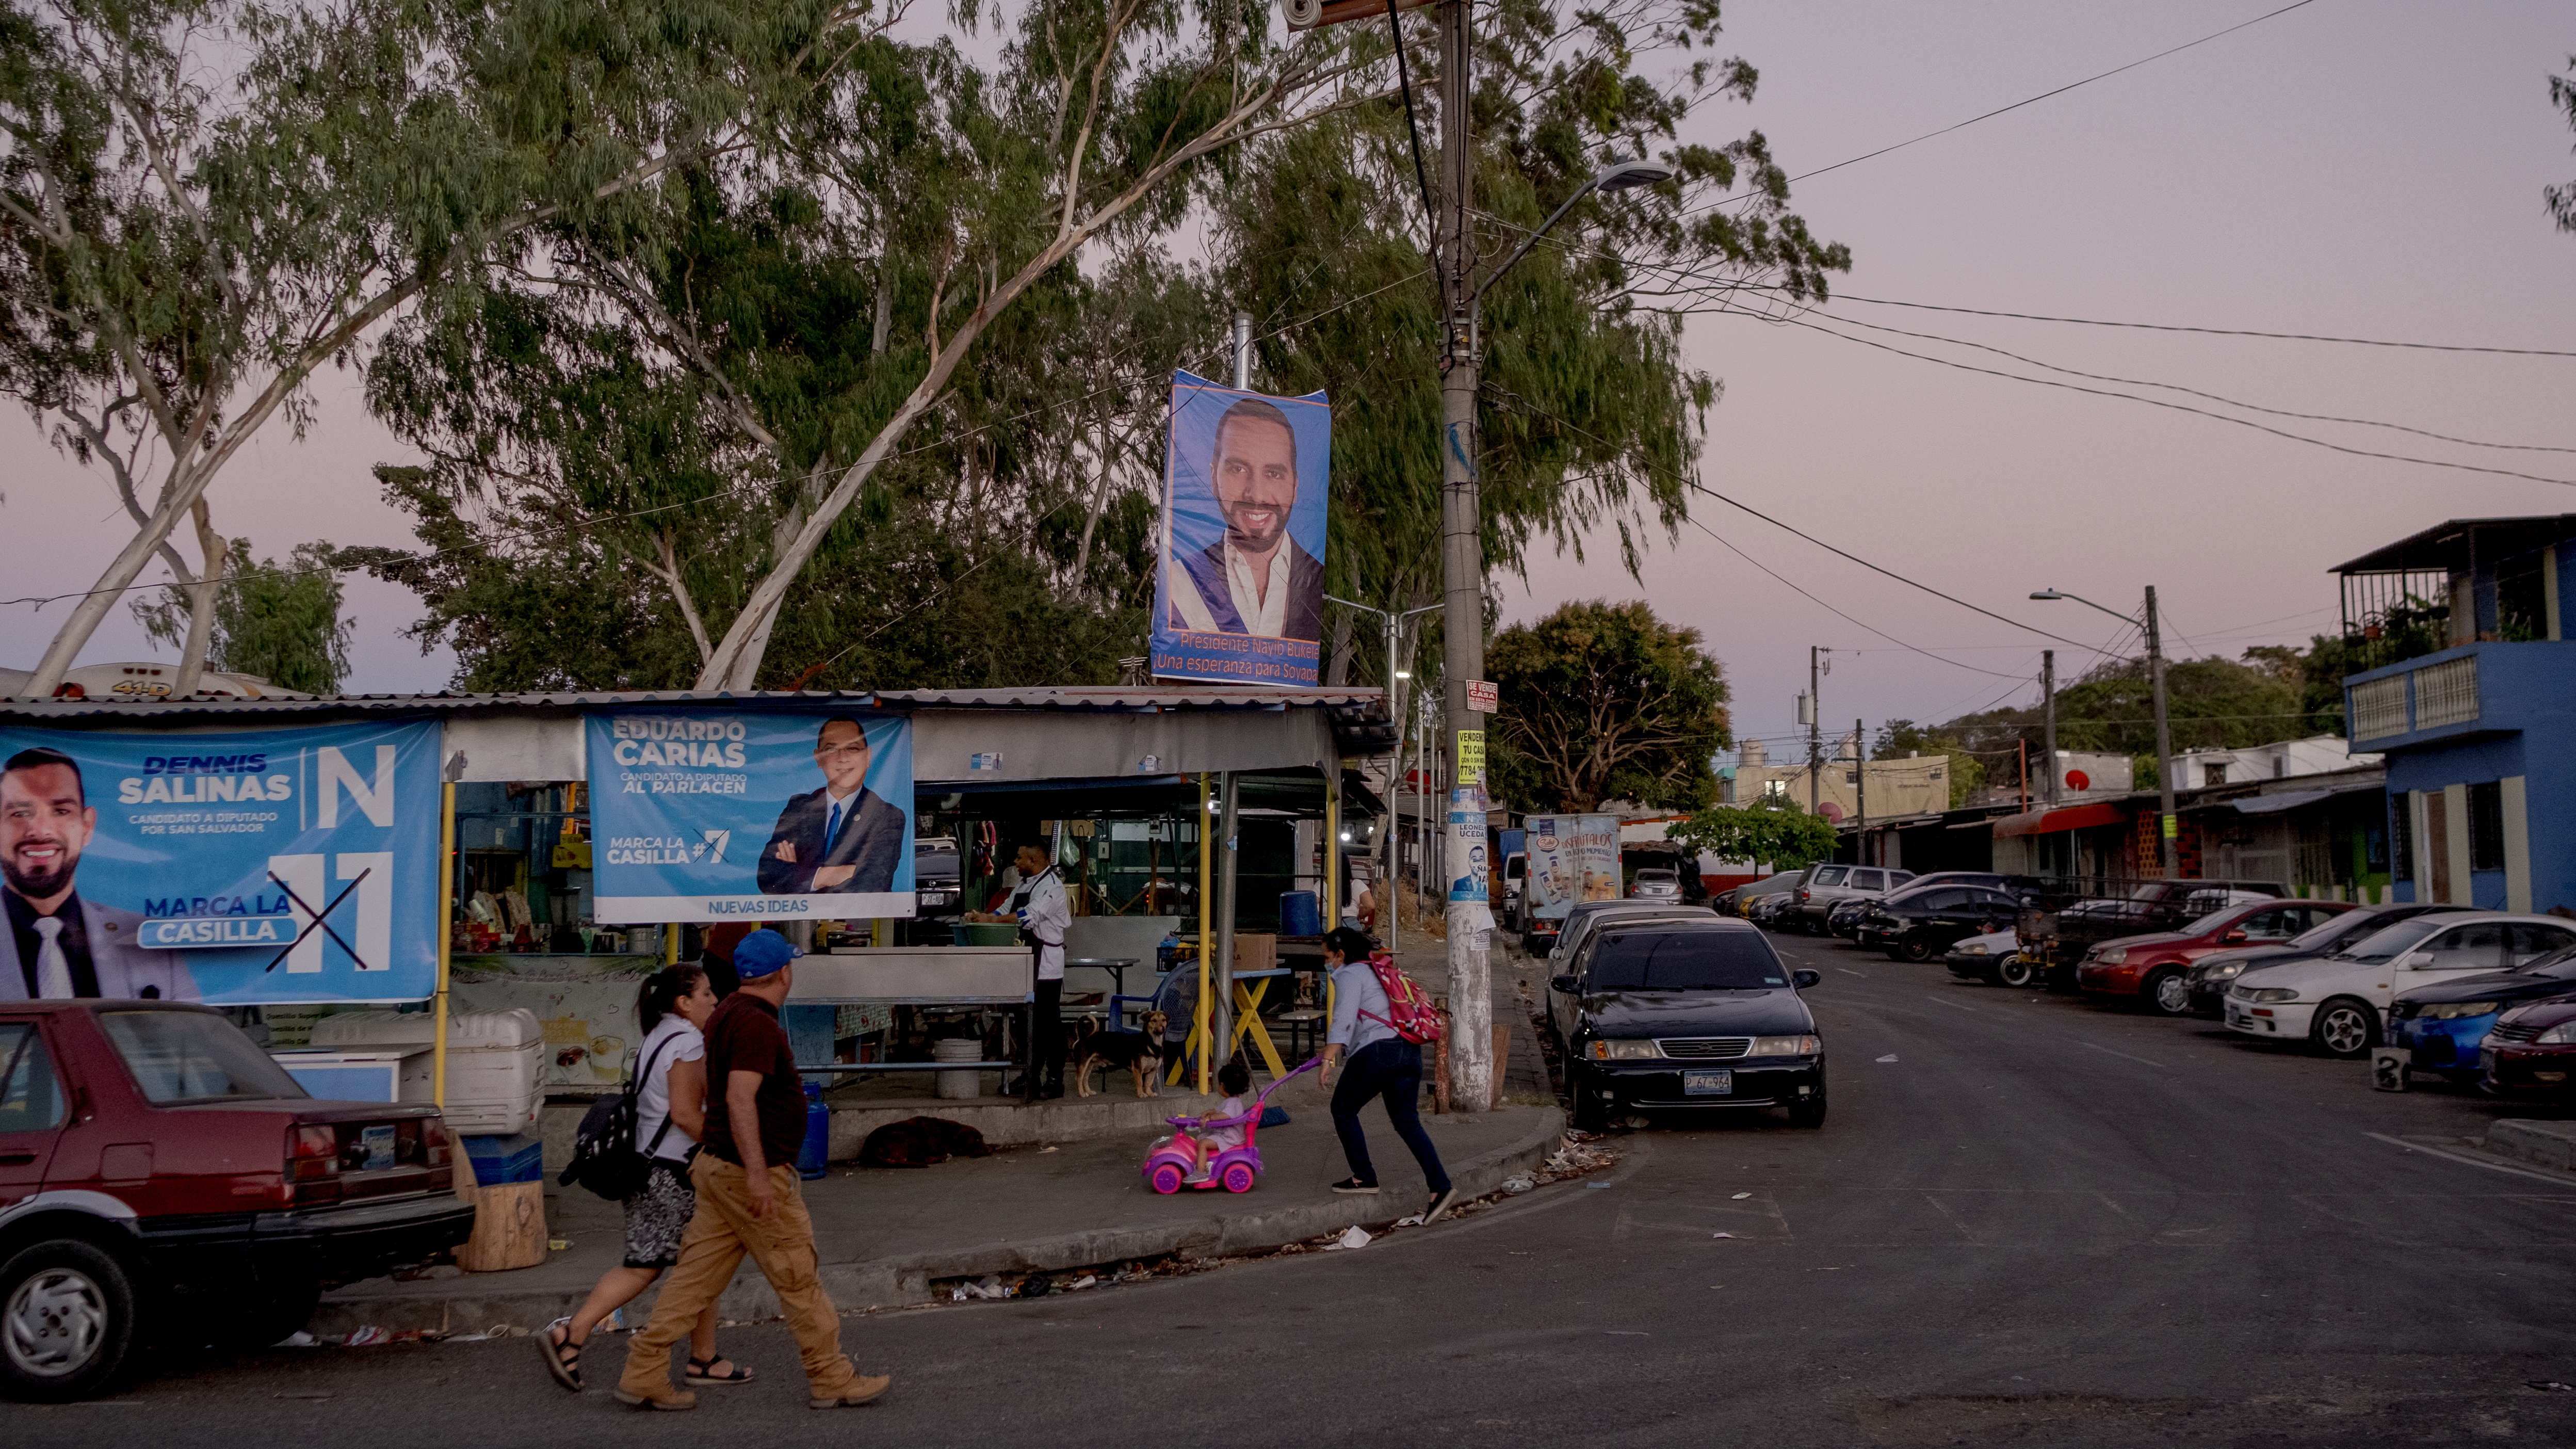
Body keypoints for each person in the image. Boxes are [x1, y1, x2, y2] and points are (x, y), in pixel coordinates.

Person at [615, 929, 891, 1412]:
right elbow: (740, 1099)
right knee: (798, 1278)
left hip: (720, 1169)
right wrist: (761, 1176)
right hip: (747, 1175)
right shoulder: (756, 1025)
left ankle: (643, 1371)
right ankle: (831, 1378)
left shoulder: (726, 1014)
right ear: (785, 972)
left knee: (692, 1283)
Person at [541, 965, 750, 1393]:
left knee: (683, 1263)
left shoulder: (659, 1036)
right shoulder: (687, 1041)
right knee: (667, 1265)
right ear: (683, 1002)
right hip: (672, 1171)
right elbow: (686, 1114)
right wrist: (736, 1152)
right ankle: (573, 1335)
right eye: (707, 993)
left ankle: (703, 1357)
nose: (714, 1000)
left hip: (647, 1165)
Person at [0, 747, 198, 1001]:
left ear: (87, 827)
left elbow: (181, 1040)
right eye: (20, 813)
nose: (40, 831)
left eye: (61, 811)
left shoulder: (148, 941)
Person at [1317, 925, 1454, 1223]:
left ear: (1341, 955)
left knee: (1342, 1110)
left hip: (1377, 1051)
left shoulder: (1352, 974)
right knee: (1408, 1123)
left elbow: (1344, 1017)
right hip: (1408, 1051)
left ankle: (1364, 1177)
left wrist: (1328, 1057)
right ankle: (1440, 1187)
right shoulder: (1378, 972)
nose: (1326, 964)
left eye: (1327, 957)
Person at [1164, 397, 1324, 641]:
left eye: (1274, 474)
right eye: (1238, 469)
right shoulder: (1179, 582)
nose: (1256, 495)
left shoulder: (1321, 581)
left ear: (1295, 486)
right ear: (1213, 478)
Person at [758, 717, 906, 896]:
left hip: (855, 923)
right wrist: (834, 874)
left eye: (852, 748)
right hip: (799, 922)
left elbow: (871, 883)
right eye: (831, 749)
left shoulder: (887, 816)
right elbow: (768, 876)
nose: (842, 758)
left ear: (868, 756)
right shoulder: (799, 807)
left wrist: (798, 873)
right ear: (818, 758)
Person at [968, 842, 1070, 1098]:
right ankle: (1029, 1076)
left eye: (1019, 858)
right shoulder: (1025, 884)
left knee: (1048, 1023)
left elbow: (1027, 916)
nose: (1015, 861)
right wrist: (983, 916)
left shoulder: (1052, 888)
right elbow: (1006, 910)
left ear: (1034, 861)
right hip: (1025, 960)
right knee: (1025, 1021)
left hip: (1046, 965)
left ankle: (1055, 1080)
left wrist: (992, 919)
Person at [1183, 1057, 1253, 1182]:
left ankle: (1201, 1173)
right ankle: (1205, 1162)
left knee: (1203, 1143)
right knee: (1201, 1138)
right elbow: (1221, 1111)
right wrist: (1210, 1111)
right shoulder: (1233, 1101)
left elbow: (1226, 1115)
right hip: (1228, 1134)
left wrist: (1209, 1118)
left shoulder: (1233, 1103)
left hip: (1230, 1137)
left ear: (1223, 1086)